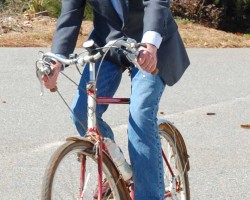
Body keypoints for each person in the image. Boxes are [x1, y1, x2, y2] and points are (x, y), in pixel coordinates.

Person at [42, 0, 190, 199]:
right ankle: (117, 171)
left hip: (150, 46)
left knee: (140, 117)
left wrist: (150, 44)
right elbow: (71, 13)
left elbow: (156, 3)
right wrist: (55, 61)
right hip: (108, 46)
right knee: (81, 114)